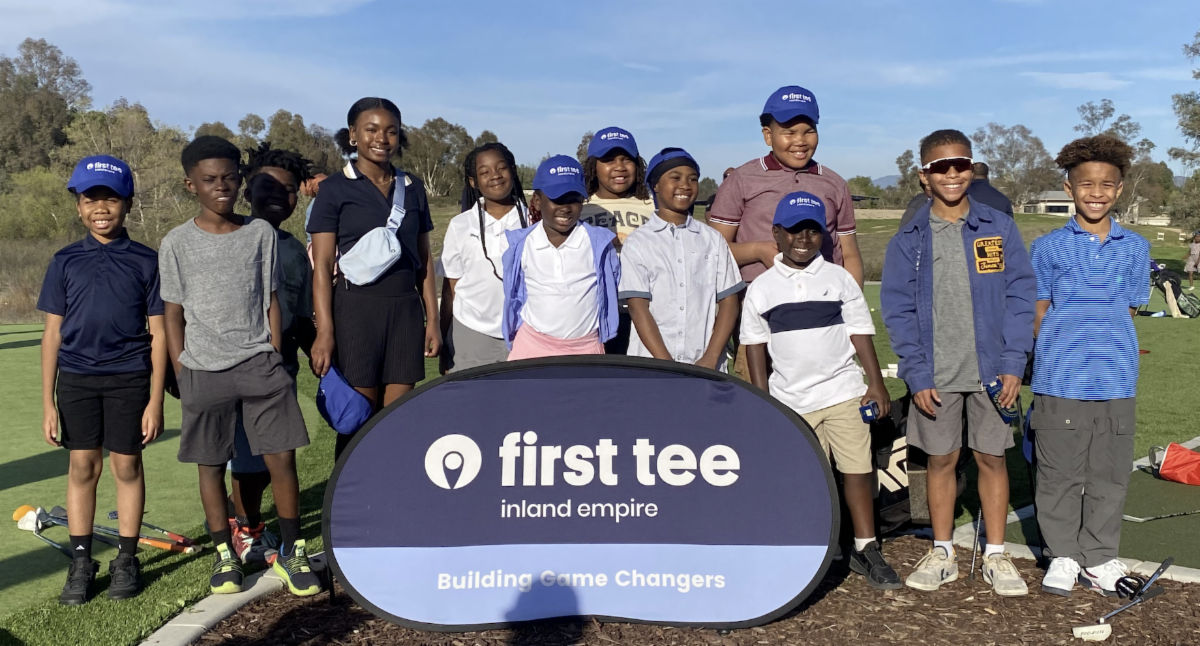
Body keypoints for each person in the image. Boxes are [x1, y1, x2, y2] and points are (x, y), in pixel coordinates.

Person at [160, 135, 320, 597]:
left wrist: (272, 351)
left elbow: (271, 298)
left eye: (229, 177)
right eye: (210, 179)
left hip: (260, 364)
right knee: (211, 464)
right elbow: (172, 312)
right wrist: (182, 369)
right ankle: (225, 556)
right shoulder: (176, 242)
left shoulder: (260, 234)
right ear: (191, 185)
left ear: (240, 180)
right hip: (202, 369)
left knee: (281, 459)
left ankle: (292, 552)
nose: (221, 186)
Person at [880, 129, 1036, 597]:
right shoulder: (909, 237)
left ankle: (996, 554)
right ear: (923, 175)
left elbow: (1021, 296)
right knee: (941, 460)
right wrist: (916, 372)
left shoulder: (997, 226)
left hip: (992, 371)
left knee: (992, 458)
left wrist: (1013, 363)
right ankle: (942, 551)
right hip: (935, 373)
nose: (952, 174)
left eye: (961, 165)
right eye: (940, 167)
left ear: (972, 168)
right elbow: (897, 309)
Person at [741, 191, 899, 590]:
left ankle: (865, 547)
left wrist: (876, 383)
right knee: (809, 478)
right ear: (776, 234)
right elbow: (755, 346)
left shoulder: (838, 278)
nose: (803, 238)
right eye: (794, 230)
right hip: (792, 401)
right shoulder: (762, 288)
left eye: (812, 230)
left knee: (857, 471)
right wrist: (762, 401)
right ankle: (816, 547)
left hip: (844, 392)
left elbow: (860, 331)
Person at [38, 155, 167, 605]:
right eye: (91, 198)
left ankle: (126, 559)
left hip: (130, 378)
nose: (101, 208)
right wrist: (48, 402)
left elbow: (159, 333)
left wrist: (156, 401)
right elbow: (52, 334)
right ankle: (80, 561)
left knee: (126, 467)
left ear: (127, 203)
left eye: (110, 198)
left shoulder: (147, 261)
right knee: (82, 467)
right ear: (78, 206)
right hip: (76, 379)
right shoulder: (64, 261)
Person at [1030, 135, 1150, 597]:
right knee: (1059, 474)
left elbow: (1130, 308)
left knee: (1109, 475)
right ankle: (1062, 555)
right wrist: (1056, 352)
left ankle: (1099, 558)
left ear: (1119, 190)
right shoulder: (1048, 247)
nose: (1095, 193)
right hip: (1060, 379)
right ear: (1068, 188)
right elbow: (1039, 310)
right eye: (1086, 184)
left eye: (1106, 185)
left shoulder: (1136, 247)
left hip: (1116, 379)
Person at [307, 97, 440, 459]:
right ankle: (347, 494)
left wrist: (432, 320)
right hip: (355, 311)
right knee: (357, 419)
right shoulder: (335, 189)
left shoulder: (413, 187)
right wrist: (325, 332)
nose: (382, 138)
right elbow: (323, 266)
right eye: (371, 129)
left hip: (405, 313)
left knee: (396, 420)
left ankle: (390, 491)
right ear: (353, 134)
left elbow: (424, 260)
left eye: (391, 131)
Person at [708, 85, 863, 379]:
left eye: (808, 131)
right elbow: (713, 252)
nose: (800, 141)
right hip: (761, 317)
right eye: (789, 132)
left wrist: (853, 310)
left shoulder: (834, 183)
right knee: (760, 399)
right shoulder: (742, 179)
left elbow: (850, 254)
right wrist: (758, 250)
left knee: (827, 396)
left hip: (825, 317)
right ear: (768, 135)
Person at [223, 142, 317, 564]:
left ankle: (244, 517)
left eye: (290, 189)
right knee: (247, 460)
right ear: (247, 192)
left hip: (281, 370)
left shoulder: (295, 250)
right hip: (235, 369)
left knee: (274, 458)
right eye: (269, 186)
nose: (280, 194)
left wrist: (321, 355)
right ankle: (244, 527)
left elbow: (300, 316)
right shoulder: (229, 238)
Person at [619, 148, 743, 370]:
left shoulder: (712, 240)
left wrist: (711, 357)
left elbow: (729, 301)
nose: (685, 185)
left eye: (692, 179)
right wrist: (666, 364)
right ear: (655, 185)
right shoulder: (639, 242)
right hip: (653, 366)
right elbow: (638, 308)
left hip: (706, 365)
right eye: (675, 178)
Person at [501, 155, 620, 359]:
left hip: (586, 348)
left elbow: (612, 284)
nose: (565, 207)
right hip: (531, 345)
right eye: (557, 199)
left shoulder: (599, 245)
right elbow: (514, 294)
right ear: (537, 201)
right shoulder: (522, 244)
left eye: (574, 199)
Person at [438, 142, 530, 373]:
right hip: (471, 332)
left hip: (526, 331)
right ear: (473, 182)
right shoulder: (460, 225)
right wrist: (443, 337)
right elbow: (450, 289)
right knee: (471, 396)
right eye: (484, 172)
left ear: (513, 171)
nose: (495, 175)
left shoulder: (534, 221)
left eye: (501, 168)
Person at [579, 127, 655, 354]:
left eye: (626, 159)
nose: (619, 166)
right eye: (609, 160)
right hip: (593, 312)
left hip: (644, 310)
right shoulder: (580, 206)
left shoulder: (652, 204)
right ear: (593, 166)